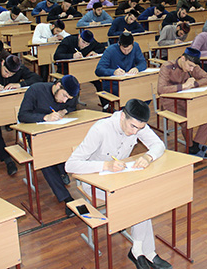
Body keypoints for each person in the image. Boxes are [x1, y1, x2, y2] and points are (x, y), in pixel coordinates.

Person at [65, 99, 171, 269]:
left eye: (140, 129)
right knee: (138, 199)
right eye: (133, 127)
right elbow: (70, 165)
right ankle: (145, 252)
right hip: (95, 182)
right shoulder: (101, 129)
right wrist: (105, 165)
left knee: (142, 196)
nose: (135, 132)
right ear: (122, 116)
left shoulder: (137, 125)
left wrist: (148, 156)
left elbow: (158, 145)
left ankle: (141, 251)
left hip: (120, 179)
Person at [18, 75, 81, 216]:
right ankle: (66, 198)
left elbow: (71, 106)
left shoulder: (70, 94)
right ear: (58, 86)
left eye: (68, 98)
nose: (64, 101)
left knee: (71, 145)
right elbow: (22, 115)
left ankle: (62, 171)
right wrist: (45, 117)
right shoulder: (36, 90)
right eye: (64, 96)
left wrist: (64, 111)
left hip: (59, 132)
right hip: (36, 135)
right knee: (45, 160)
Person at [0, 55, 42, 175]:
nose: (7, 76)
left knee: (29, 118)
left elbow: (37, 78)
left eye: (11, 74)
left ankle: (33, 151)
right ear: (2, 62)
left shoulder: (19, 68)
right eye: (6, 71)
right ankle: (7, 159)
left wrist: (20, 84)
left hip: (13, 105)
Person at [157, 48, 207, 158]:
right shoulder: (167, 67)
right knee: (187, 121)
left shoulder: (192, 66)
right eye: (190, 66)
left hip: (186, 99)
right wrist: (183, 86)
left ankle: (196, 144)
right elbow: (161, 90)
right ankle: (190, 146)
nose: (191, 69)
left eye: (193, 67)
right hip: (169, 101)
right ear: (183, 58)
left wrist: (194, 84)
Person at [53, 30, 106, 104]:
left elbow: (102, 48)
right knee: (71, 85)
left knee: (99, 81)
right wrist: (72, 56)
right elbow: (56, 56)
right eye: (83, 42)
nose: (84, 45)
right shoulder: (68, 40)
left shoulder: (91, 42)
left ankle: (105, 105)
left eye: (87, 44)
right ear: (79, 36)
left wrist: (94, 52)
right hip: (66, 69)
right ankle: (70, 106)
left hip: (84, 69)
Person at [95, 32, 147, 97]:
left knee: (146, 92)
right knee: (130, 94)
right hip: (114, 84)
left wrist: (137, 68)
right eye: (123, 49)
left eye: (129, 49)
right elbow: (99, 70)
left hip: (129, 81)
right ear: (119, 44)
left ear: (133, 44)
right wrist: (113, 72)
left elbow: (143, 63)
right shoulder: (110, 50)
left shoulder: (136, 46)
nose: (126, 52)